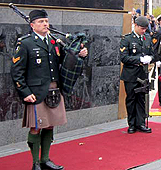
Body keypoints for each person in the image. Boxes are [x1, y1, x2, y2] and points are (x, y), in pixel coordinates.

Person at [11, 9, 88, 170]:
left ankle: (45, 159)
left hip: (54, 90)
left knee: (50, 125)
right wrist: (25, 93)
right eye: (41, 22)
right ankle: (35, 163)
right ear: (32, 25)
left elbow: (63, 60)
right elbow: (17, 71)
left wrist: (79, 54)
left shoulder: (53, 41)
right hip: (36, 92)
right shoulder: (25, 43)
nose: (45, 24)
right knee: (36, 127)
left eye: (46, 21)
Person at [120, 16, 154, 134]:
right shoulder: (127, 39)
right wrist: (139, 59)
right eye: (142, 28)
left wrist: (150, 58)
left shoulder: (147, 38)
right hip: (130, 74)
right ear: (135, 25)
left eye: (145, 28)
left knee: (141, 99)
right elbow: (123, 57)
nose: (144, 31)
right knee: (131, 99)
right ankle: (132, 124)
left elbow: (153, 54)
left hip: (142, 74)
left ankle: (141, 123)